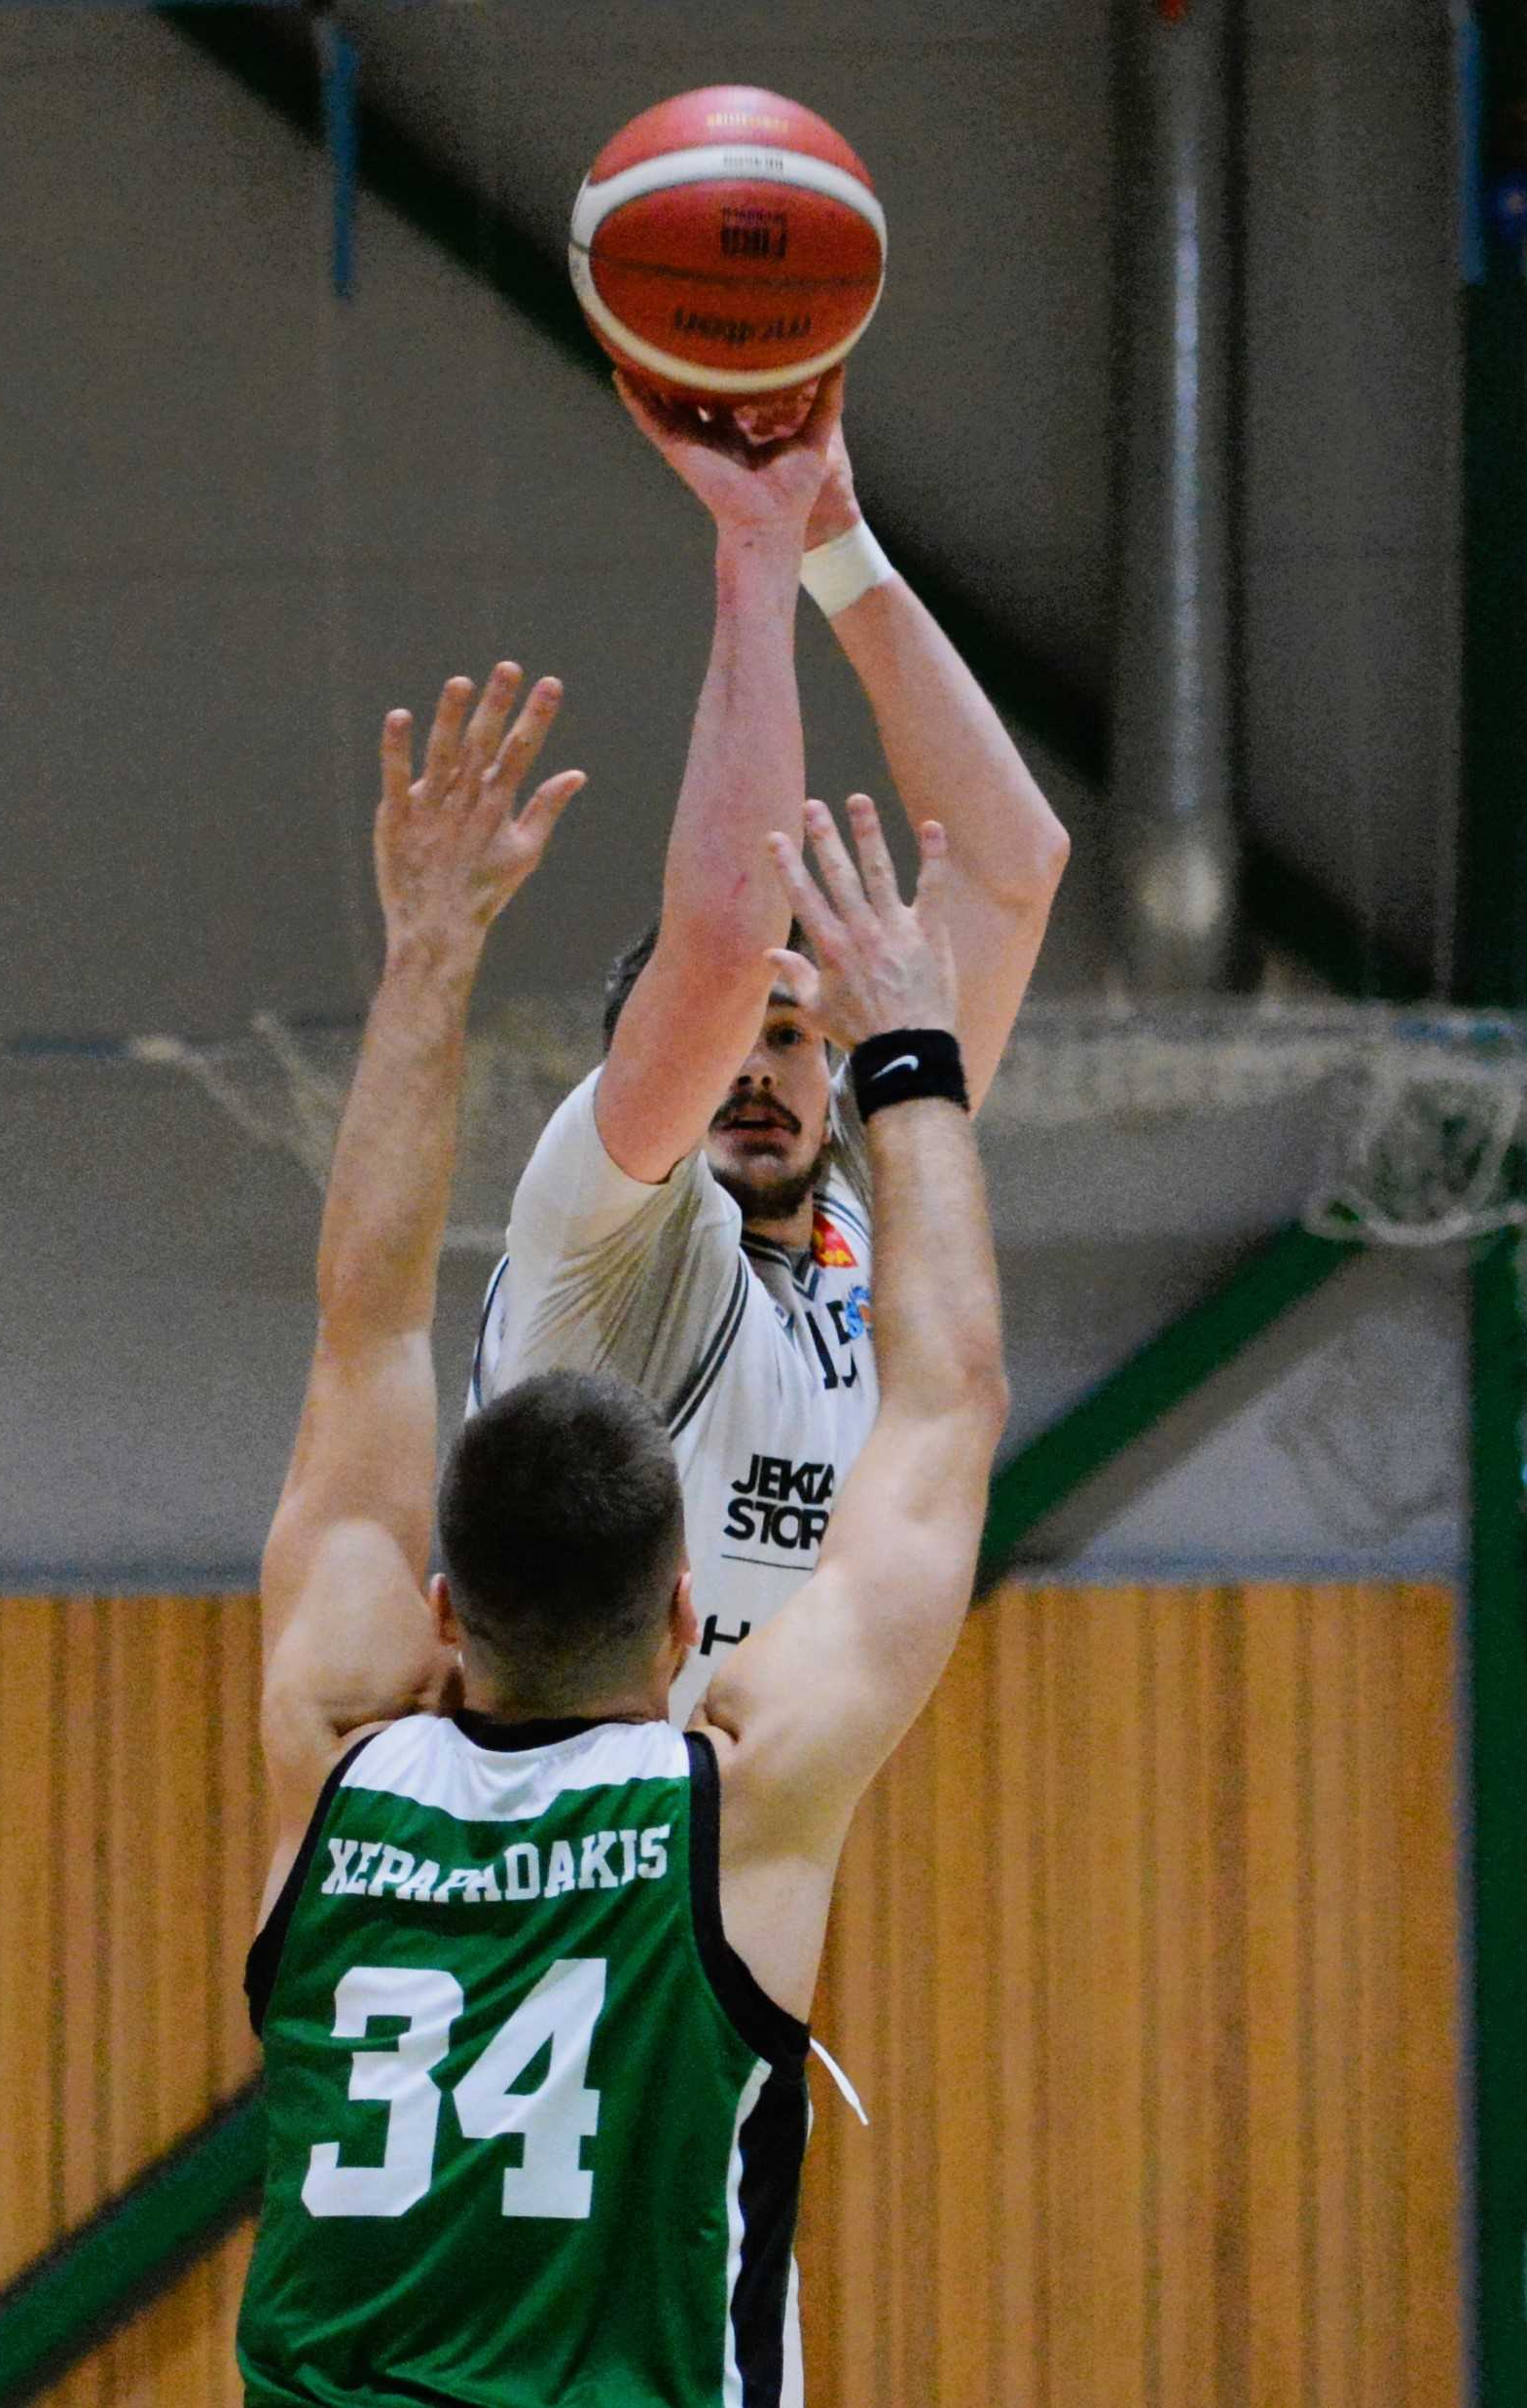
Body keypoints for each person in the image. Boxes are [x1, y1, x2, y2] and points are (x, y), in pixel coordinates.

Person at [241, 657, 1006, 2408]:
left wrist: (427, 948)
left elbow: (360, 1325)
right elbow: (952, 1399)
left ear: (441, 1604)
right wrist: (913, 1039)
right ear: (686, 1621)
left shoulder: (339, 1746)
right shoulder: (728, 1810)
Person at [467, 372, 1066, 1721]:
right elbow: (726, 943)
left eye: (791, 1035)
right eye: (724, 1035)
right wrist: (752, 544)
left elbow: (1013, 864)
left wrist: (838, 542)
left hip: (737, 1829)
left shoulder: (858, 1211)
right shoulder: (608, 1233)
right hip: (546, 1845)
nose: (752, 1062)